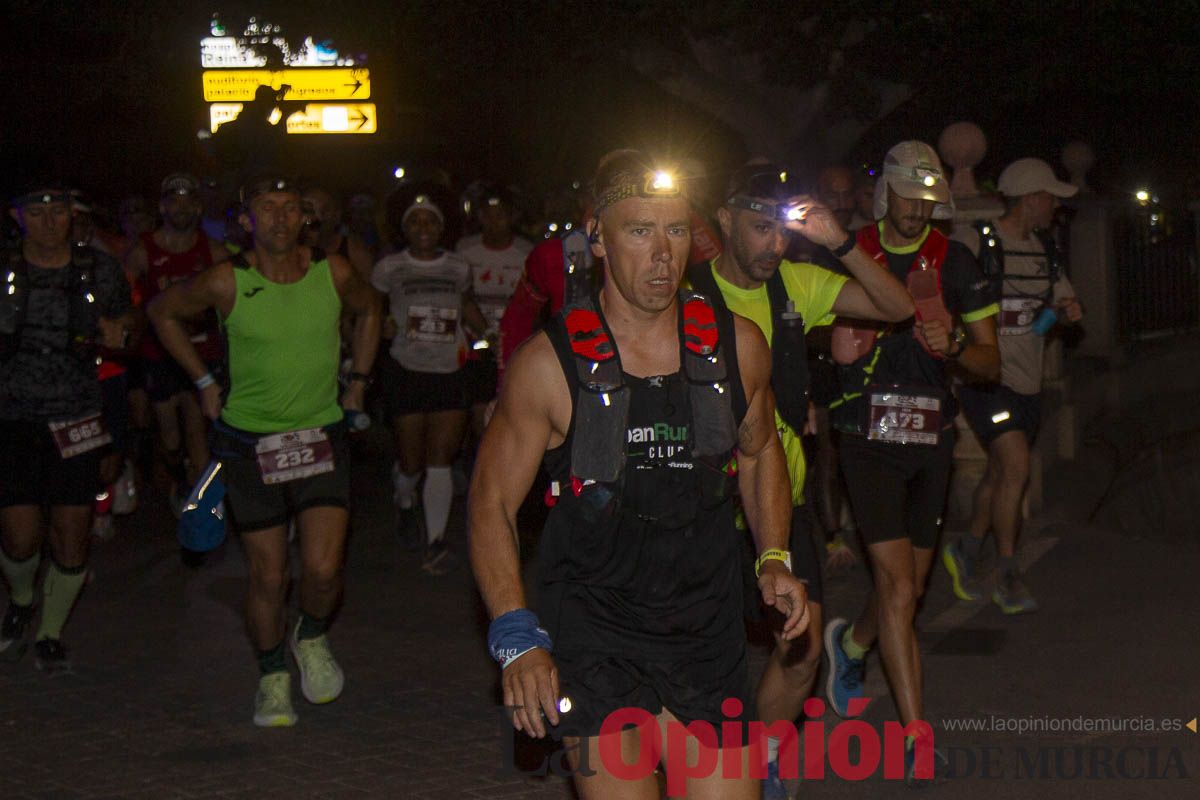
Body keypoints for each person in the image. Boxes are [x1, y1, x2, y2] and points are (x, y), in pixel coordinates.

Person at [469, 150, 810, 798]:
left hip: (705, 631)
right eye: (639, 230)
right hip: (595, 632)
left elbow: (762, 450)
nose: (662, 254)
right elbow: (490, 502)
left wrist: (772, 554)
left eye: (676, 230)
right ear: (595, 234)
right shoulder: (549, 367)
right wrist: (516, 632)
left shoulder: (737, 346)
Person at [688, 162, 913, 797]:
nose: (774, 246)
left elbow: (896, 307)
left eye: (783, 233)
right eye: (760, 229)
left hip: (781, 500)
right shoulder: (684, 292)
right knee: (708, 656)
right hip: (700, 506)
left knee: (804, 650)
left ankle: (755, 760)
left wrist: (839, 240)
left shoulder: (798, 286)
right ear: (726, 221)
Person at [148, 174, 382, 727]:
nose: (279, 217)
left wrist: (359, 381)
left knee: (323, 572)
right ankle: (273, 674)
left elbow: (372, 309)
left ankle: (312, 635)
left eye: (290, 207)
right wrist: (203, 381)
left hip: (320, 437)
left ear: (306, 218)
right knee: (269, 577)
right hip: (250, 444)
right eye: (266, 208)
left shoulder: (334, 272)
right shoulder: (228, 280)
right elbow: (162, 311)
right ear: (247, 220)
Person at [822, 141, 1000, 782]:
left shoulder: (956, 262)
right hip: (865, 440)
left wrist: (952, 344)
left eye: (929, 200)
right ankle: (915, 737)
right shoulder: (848, 251)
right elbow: (815, 331)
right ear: (883, 194)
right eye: (907, 195)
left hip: (932, 440)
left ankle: (852, 644)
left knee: (909, 590)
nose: (917, 209)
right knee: (898, 587)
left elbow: (991, 362)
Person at [0, 183, 133, 671]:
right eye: (36, 213)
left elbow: (127, 329)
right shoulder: (6, 268)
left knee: (73, 532)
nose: (49, 222)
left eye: (58, 212)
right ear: (19, 218)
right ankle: (20, 599)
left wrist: (122, 334)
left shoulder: (97, 268)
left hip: (77, 413)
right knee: (19, 536)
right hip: (12, 414)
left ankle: (50, 632)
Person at [944, 157, 1083, 613]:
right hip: (984, 380)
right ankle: (1007, 572)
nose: (1054, 209)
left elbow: (1063, 298)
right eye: (1050, 199)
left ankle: (965, 549)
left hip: (1027, 382)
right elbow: (938, 283)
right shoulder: (975, 241)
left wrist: (1067, 310)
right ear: (1031, 198)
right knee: (1017, 467)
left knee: (999, 473)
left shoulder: (1045, 250)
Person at [373, 192, 488, 573]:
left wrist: (487, 332)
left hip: (449, 369)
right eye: (415, 221)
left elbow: (467, 304)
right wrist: (381, 329)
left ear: (441, 228)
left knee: (440, 460)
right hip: (407, 369)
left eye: (431, 221)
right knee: (411, 461)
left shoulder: (458, 266)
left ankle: (435, 542)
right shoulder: (389, 267)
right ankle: (404, 501)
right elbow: (372, 312)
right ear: (404, 228)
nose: (423, 228)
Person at [127, 173, 231, 518]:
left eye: (188, 202)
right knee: (170, 441)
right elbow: (125, 299)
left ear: (198, 208)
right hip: (160, 355)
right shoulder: (144, 251)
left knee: (198, 430)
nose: (181, 209)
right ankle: (177, 476)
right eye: (174, 201)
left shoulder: (213, 251)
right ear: (162, 206)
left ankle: (202, 512)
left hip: (203, 353)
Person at [455, 185, 532, 436]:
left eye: (501, 215)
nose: (494, 222)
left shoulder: (526, 252)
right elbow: (460, 298)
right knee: (479, 406)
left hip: (514, 342)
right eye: (488, 215)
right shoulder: (465, 250)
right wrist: (485, 333)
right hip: (475, 341)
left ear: (512, 217)